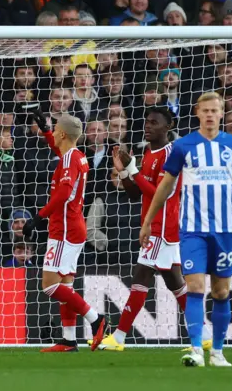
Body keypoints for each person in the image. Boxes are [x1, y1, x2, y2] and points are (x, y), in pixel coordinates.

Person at [139, 92, 232, 367]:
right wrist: (149, 220)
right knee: (196, 287)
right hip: (192, 230)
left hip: (224, 230)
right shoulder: (184, 146)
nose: (210, 115)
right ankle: (197, 348)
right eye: (205, 110)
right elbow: (165, 186)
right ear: (197, 112)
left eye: (215, 110)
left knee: (221, 292)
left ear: (221, 113)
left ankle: (218, 351)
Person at [97, 107, 210, 352]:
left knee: (141, 276)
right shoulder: (149, 152)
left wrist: (133, 170)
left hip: (161, 225)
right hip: (156, 223)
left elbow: (162, 193)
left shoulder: (172, 154)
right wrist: (124, 171)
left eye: (154, 122)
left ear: (167, 127)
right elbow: (135, 193)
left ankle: (119, 336)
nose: (147, 126)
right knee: (174, 281)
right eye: (146, 122)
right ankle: (204, 332)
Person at [23, 108, 107, 353]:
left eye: (56, 130)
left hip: (65, 229)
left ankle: (96, 319)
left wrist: (38, 217)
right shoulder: (76, 155)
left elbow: (63, 193)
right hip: (73, 226)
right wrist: (47, 131)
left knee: (49, 285)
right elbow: (59, 150)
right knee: (66, 286)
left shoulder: (70, 159)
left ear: (63, 134)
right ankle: (69, 340)